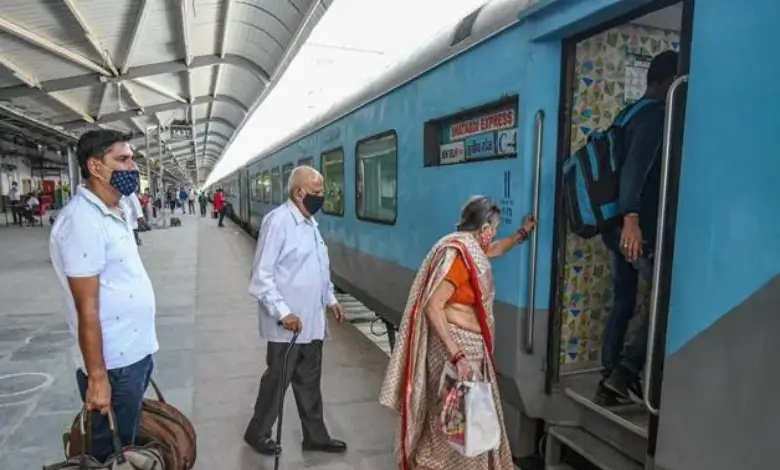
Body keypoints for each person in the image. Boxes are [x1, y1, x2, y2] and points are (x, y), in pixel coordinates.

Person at [379, 195, 537, 470]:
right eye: (494, 229)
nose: (494, 235)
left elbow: (497, 249)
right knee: (462, 418)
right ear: (484, 229)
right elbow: (433, 306)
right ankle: (448, 464)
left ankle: (447, 462)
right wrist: (458, 355)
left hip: (464, 347)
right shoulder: (459, 257)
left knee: (457, 417)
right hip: (456, 347)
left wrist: (522, 233)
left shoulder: (467, 246)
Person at [49, 129, 158, 463]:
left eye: (132, 158)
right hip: (114, 363)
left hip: (134, 352)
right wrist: (97, 377)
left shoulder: (118, 208)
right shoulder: (82, 222)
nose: (131, 167)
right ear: (95, 167)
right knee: (109, 451)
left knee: (124, 443)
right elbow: (87, 309)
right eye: (121, 159)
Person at [244, 166, 348, 456]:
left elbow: (318, 269)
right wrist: (282, 312)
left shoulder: (310, 223)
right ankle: (257, 432)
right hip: (287, 325)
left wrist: (331, 300)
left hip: (312, 321)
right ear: (299, 192)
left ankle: (315, 436)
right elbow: (261, 276)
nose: (322, 197)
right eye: (317, 192)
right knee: (277, 381)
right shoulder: (278, 222)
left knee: (310, 383)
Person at [596, 50, 679, 406]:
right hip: (635, 228)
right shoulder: (657, 116)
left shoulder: (628, 112)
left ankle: (608, 377)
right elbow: (634, 170)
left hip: (614, 225)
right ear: (666, 82)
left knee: (625, 301)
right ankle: (626, 370)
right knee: (667, 301)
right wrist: (632, 220)